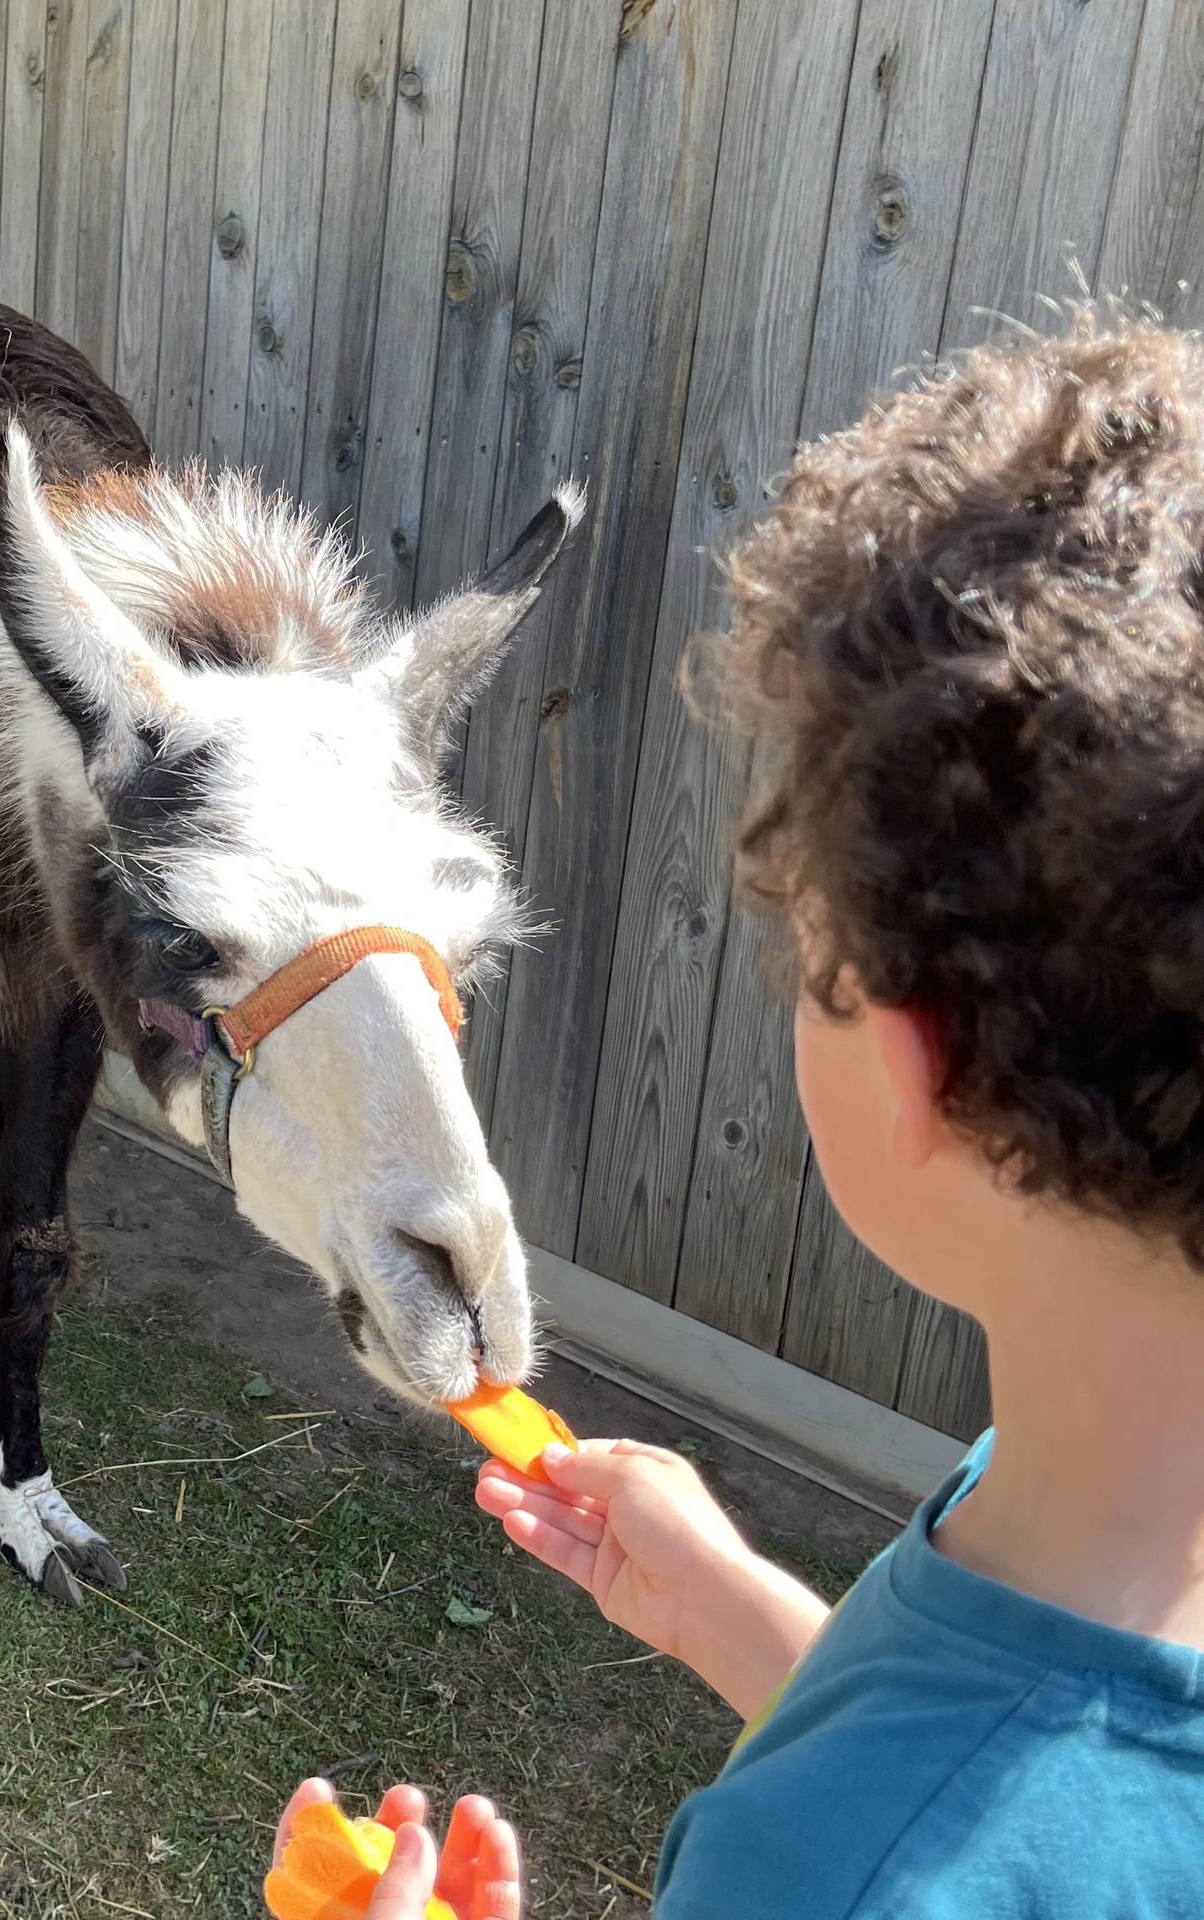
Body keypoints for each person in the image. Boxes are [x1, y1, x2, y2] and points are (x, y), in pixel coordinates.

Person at [270, 314, 1204, 1915]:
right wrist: (737, 1616)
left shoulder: (821, 1872)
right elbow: (1055, 1796)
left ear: (917, 1066)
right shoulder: (1109, 1504)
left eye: (800, 943)